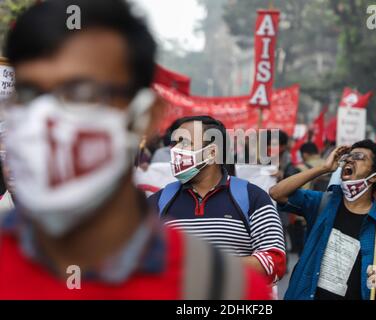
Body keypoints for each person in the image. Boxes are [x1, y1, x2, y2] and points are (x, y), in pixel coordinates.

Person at [0, 0, 271, 300]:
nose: (45, 119)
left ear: (145, 116)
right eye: (29, 93)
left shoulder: (221, 287)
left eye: (80, 92)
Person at [148, 115, 286, 284]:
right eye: (174, 143)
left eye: (184, 143)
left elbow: (274, 262)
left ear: (212, 152)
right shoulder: (158, 201)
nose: (175, 150)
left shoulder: (253, 198)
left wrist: (207, 265)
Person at [270, 139, 376, 300]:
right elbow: (277, 193)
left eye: (359, 157)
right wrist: (323, 168)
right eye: (348, 156)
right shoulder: (322, 203)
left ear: (374, 177)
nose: (350, 159)